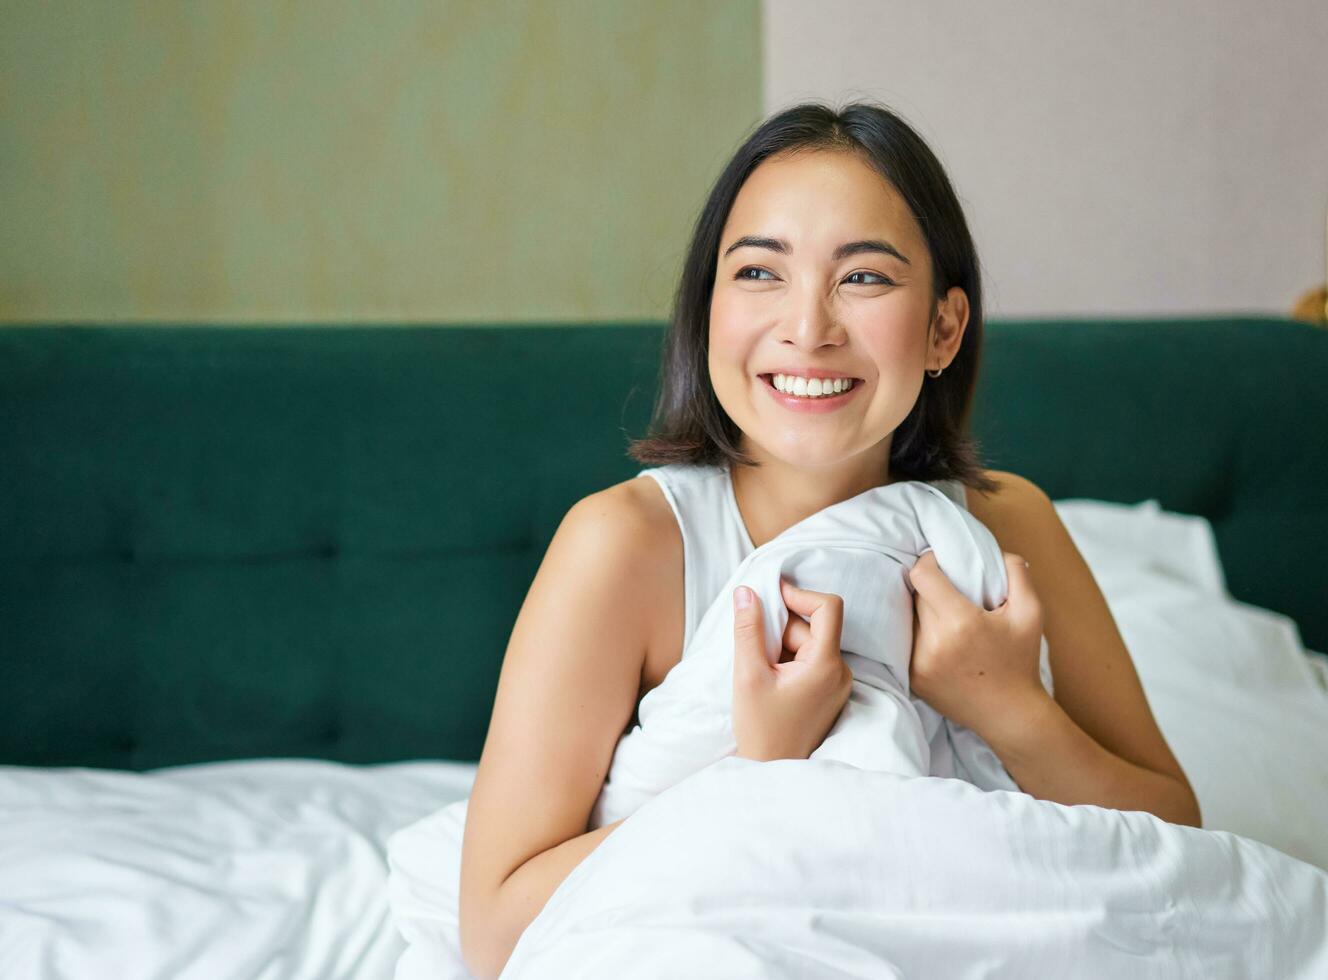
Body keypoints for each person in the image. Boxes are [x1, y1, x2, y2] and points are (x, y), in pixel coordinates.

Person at [457, 100, 1201, 979]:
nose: (808, 328)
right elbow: (496, 928)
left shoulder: (1007, 525)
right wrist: (762, 774)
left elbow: (1178, 836)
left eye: (864, 279)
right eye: (759, 273)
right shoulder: (625, 546)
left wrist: (1008, 708)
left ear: (943, 330)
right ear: (707, 312)